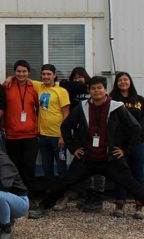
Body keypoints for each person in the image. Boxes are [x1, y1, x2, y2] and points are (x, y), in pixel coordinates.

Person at [29, 76, 144, 219]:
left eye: (99, 88)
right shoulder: (82, 107)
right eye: (93, 88)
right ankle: (43, 207)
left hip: (110, 159)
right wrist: (74, 148)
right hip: (86, 159)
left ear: (105, 90)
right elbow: (65, 126)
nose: (96, 91)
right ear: (89, 90)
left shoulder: (117, 107)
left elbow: (135, 128)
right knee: (63, 183)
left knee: (132, 184)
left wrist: (125, 150)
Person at [60, 68, 105, 213]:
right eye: (75, 77)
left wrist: (88, 86)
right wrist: (82, 85)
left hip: (98, 134)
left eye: (81, 77)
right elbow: (63, 83)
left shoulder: (98, 93)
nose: (78, 79)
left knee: (98, 167)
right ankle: (85, 195)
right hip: (80, 134)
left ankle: (97, 199)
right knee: (83, 165)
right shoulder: (71, 90)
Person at [3, 60, 39, 206]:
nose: (21, 74)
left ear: (28, 72)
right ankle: (16, 196)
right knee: (14, 167)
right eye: (18, 71)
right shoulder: (7, 86)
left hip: (30, 135)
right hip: (12, 135)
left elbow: (40, 108)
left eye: (24, 71)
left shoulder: (34, 87)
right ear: (14, 72)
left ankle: (30, 196)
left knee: (29, 167)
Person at [33, 65, 70, 204]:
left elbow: (66, 114)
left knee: (61, 167)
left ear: (54, 75)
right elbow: (22, 78)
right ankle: (50, 195)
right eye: (43, 74)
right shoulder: (39, 87)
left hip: (58, 137)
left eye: (49, 74)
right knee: (47, 167)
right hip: (43, 136)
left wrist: (63, 136)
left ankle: (62, 196)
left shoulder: (61, 91)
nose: (46, 77)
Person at [110, 71, 144, 219]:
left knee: (139, 173)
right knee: (121, 172)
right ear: (116, 83)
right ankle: (120, 203)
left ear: (130, 81)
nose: (123, 82)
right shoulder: (111, 100)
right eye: (120, 80)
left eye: (125, 79)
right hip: (119, 144)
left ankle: (139, 205)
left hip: (137, 143)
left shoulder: (140, 100)